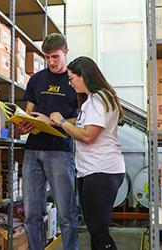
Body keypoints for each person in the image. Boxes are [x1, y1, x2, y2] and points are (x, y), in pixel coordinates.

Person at [50, 56, 125, 250]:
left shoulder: (99, 98)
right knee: (96, 230)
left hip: (101, 170)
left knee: (98, 231)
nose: (70, 83)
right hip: (93, 170)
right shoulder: (92, 99)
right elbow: (83, 123)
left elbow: (88, 135)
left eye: (72, 78)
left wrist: (61, 122)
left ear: (84, 76)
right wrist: (51, 121)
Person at [18, 33, 78, 250]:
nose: (51, 62)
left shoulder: (74, 81)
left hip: (60, 152)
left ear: (66, 52)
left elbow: (80, 120)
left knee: (67, 213)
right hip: (33, 152)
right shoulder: (36, 80)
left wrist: (56, 122)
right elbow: (28, 113)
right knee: (32, 213)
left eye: (55, 56)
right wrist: (23, 124)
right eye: (47, 57)